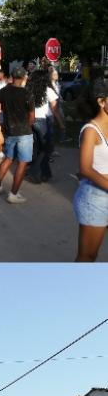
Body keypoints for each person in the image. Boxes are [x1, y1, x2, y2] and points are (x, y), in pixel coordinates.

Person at [74, 79, 108, 261]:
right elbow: (85, 169)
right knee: (87, 257)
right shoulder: (90, 130)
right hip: (95, 199)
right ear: (101, 101)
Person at [0, 67, 36, 203]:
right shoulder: (27, 93)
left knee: (8, 159)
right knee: (22, 162)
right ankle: (13, 194)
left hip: (9, 131)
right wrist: (28, 126)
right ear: (23, 78)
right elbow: (32, 117)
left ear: (12, 76)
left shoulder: (3, 91)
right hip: (24, 132)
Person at [28, 68, 64, 184]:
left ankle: (45, 173)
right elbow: (55, 109)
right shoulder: (48, 90)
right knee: (46, 149)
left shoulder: (28, 90)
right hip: (43, 121)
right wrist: (61, 124)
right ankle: (35, 173)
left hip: (30, 120)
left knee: (37, 148)